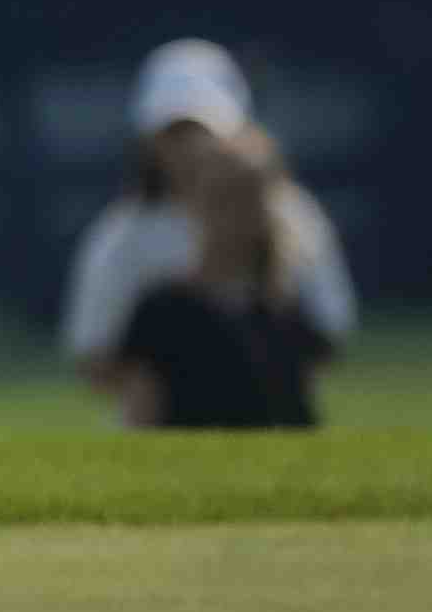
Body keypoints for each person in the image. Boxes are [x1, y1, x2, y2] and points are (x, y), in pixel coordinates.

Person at [62, 40, 355, 430]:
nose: (187, 150)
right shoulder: (123, 235)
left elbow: (326, 333)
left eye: (200, 132)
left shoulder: (295, 217)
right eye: (173, 134)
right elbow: (96, 354)